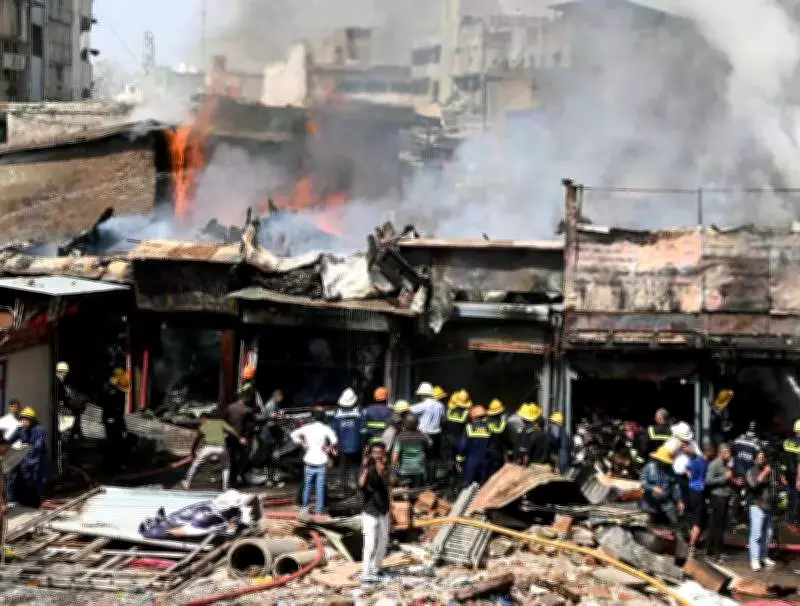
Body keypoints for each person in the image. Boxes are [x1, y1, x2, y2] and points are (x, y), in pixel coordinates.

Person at [291, 406, 338, 515]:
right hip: (321, 460)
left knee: (307, 485)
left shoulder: (307, 427)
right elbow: (335, 440)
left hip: (309, 460)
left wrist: (302, 442)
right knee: (320, 487)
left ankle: (305, 507)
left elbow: (293, 434)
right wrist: (328, 448)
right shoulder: (326, 428)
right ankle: (319, 509)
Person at [182, 411, 246, 491]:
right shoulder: (221, 422)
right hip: (221, 448)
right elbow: (231, 430)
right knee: (226, 466)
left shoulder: (204, 425)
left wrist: (193, 451)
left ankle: (187, 482)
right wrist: (240, 438)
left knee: (196, 464)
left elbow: (197, 440)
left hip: (208, 448)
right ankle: (225, 487)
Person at [358, 442, 391, 584]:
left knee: (383, 541)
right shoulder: (367, 469)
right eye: (375, 452)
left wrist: (383, 468)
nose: (378, 455)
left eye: (380, 452)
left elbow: (392, 482)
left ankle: (376, 568)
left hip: (383, 510)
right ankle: (365, 572)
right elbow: (361, 483)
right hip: (370, 511)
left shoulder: (387, 468)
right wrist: (366, 468)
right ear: (371, 453)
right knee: (370, 543)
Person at [8, 407, 49, 508]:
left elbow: (39, 446)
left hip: (38, 459)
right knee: (13, 474)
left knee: (37, 480)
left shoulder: (40, 430)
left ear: (32, 420)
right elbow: (9, 441)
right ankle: (13, 499)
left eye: (27, 420)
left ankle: (38, 500)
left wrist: (27, 448)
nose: (24, 422)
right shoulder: (20, 430)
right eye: (23, 419)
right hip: (26, 458)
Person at [746, 450, 777, 571]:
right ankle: (754, 559)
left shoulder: (770, 471)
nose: (761, 459)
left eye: (763, 457)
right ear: (754, 459)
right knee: (756, 534)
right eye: (759, 457)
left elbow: (773, 486)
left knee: (768, 534)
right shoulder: (751, 471)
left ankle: (763, 556)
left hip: (768, 505)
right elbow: (753, 485)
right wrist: (764, 473)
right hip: (757, 505)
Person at [639, 445, 684, 526]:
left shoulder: (671, 471)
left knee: (675, 522)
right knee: (653, 524)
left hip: (666, 503)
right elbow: (643, 483)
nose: (665, 464)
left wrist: (679, 500)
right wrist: (653, 488)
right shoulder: (649, 468)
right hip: (651, 504)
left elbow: (675, 486)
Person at [224, 384, 257, 486]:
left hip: (230, 438)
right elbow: (251, 425)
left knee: (231, 460)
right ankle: (239, 477)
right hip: (241, 439)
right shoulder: (247, 410)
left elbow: (224, 421)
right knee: (243, 459)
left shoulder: (230, 407)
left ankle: (231, 481)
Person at [705, 443, 734, 562]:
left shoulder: (726, 464)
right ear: (722, 453)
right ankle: (718, 552)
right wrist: (724, 478)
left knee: (714, 524)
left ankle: (709, 549)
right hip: (718, 497)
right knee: (718, 526)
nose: (729, 455)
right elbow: (708, 481)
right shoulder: (715, 464)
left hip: (725, 496)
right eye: (728, 453)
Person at [410, 382, 444, 481]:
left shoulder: (423, 405)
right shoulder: (440, 405)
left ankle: (423, 481)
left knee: (423, 458)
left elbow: (408, 410)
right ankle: (432, 479)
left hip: (424, 434)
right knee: (433, 459)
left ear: (422, 394)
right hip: (437, 434)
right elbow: (443, 419)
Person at [252, 389, 285, 488]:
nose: (282, 399)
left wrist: (279, 414)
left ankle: (272, 478)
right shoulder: (271, 404)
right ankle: (268, 479)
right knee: (268, 459)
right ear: (277, 396)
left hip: (271, 437)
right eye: (281, 396)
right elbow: (270, 422)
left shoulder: (275, 404)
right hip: (267, 437)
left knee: (273, 458)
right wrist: (276, 417)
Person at [332, 388, 363, 488]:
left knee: (343, 464)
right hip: (356, 445)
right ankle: (354, 482)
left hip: (342, 445)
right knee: (355, 465)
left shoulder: (337, 414)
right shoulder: (359, 413)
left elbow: (334, 430)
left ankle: (340, 481)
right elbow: (362, 430)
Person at [686, 443, 713, 558]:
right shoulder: (705, 464)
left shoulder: (696, 461)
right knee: (699, 521)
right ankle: (692, 546)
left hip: (692, 491)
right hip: (699, 493)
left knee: (696, 519)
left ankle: (693, 542)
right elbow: (707, 480)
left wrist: (692, 479)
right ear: (708, 452)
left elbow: (687, 469)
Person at [456, 406, 493, 488]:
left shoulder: (469, 428)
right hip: (485, 462)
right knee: (484, 486)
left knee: (468, 486)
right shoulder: (490, 428)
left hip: (471, 462)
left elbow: (463, 446)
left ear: (472, 417)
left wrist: (459, 461)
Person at [391, 414, 430, 488]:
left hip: (404, 470)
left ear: (405, 423)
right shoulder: (423, 436)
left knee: (405, 492)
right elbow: (429, 447)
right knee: (417, 492)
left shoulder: (400, 438)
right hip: (419, 469)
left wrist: (393, 472)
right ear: (417, 423)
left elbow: (395, 457)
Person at [102, 368, 129, 465]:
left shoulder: (118, 389)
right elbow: (109, 405)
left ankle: (116, 462)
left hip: (116, 419)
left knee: (116, 441)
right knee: (113, 441)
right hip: (112, 419)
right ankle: (112, 462)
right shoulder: (111, 390)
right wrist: (109, 419)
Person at [56, 361, 84, 444]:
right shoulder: (58, 381)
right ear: (61, 371)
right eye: (65, 372)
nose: (65, 374)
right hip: (60, 406)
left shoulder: (61, 381)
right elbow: (61, 396)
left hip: (64, 405)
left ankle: (70, 437)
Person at [443, 390, 470, 462]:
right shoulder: (467, 413)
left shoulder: (449, 411)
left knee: (453, 458)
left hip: (450, 439)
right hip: (461, 440)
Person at [784, 419, 800, 530]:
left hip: (786, 476)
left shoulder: (786, 442)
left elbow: (782, 459)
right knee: (797, 500)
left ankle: (787, 520)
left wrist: (782, 475)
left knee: (788, 498)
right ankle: (794, 522)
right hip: (797, 476)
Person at [487, 399, 511, 474]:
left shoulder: (486, 424)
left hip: (487, 453)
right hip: (499, 454)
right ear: (500, 413)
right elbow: (508, 441)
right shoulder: (504, 425)